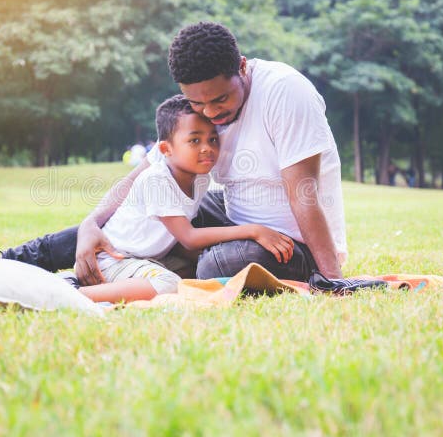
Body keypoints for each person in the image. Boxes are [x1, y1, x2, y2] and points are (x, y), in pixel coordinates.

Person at [0, 22, 348, 287]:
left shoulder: (285, 92)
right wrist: (90, 224)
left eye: (220, 100)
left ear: (241, 67)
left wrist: (331, 278)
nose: (209, 113)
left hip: (292, 242)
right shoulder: (200, 107)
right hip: (233, 215)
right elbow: (139, 178)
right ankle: (2, 262)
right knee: (139, 213)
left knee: (214, 266)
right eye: (197, 102)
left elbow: (304, 194)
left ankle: (126, 275)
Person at [23, 95, 294, 303]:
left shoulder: (199, 177)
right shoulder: (157, 179)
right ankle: (73, 296)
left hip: (148, 258)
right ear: (165, 149)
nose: (207, 148)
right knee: (168, 285)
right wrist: (254, 231)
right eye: (194, 141)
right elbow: (187, 236)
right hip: (118, 259)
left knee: (194, 272)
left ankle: (77, 284)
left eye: (212, 139)